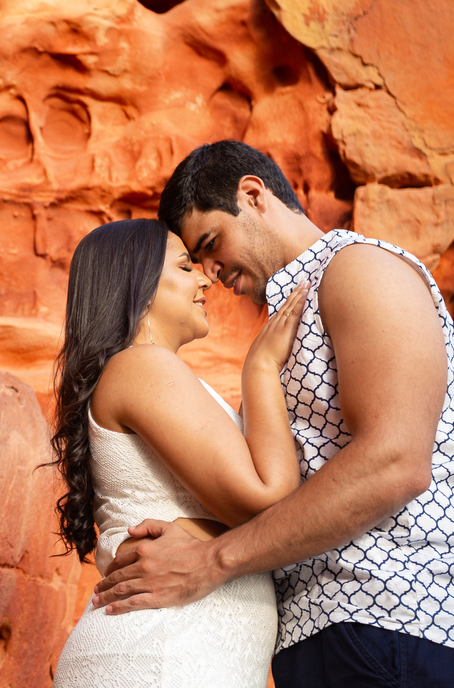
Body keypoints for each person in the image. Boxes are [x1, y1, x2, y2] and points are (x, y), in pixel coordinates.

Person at [92, 140, 454, 687]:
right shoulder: (287, 326)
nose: (211, 273)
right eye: (195, 261)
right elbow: (282, 502)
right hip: (325, 640)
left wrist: (213, 559)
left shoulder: (360, 269)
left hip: (404, 623)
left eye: (211, 244)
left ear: (253, 195)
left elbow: (395, 463)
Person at [50, 217, 309, 687]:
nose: (206, 279)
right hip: (157, 655)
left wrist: (198, 534)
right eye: (186, 266)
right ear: (139, 283)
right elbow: (269, 502)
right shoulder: (143, 365)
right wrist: (261, 367)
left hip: (168, 653)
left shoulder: (148, 373)